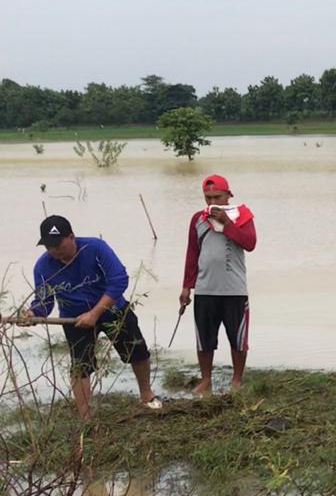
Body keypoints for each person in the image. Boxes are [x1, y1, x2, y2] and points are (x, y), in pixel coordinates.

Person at [22, 215, 161, 419]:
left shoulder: (95, 248)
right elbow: (44, 300)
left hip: (112, 308)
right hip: (74, 318)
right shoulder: (43, 266)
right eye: (48, 246)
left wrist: (95, 313)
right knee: (80, 366)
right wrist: (33, 313)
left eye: (57, 243)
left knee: (137, 350)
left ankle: (146, 394)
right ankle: (85, 417)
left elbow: (119, 280)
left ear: (71, 237)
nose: (54, 250)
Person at [180, 174, 257, 394]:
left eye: (217, 196)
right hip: (205, 289)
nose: (213, 202)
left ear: (228, 195)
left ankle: (237, 379)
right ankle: (206, 379)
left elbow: (250, 243)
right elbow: (192, 254)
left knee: (238, 339)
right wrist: (187, 286)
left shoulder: (242, 215)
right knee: (204, 339)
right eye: (208, 197)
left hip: (234, 289)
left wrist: (226, 223)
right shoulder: (198, 219)